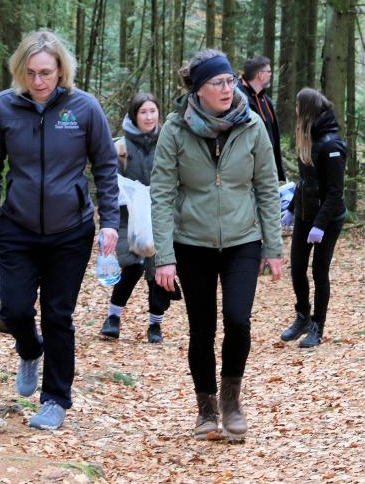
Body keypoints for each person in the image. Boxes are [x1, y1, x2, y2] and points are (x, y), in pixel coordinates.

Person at [0, 30, 119, 430]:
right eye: (31, 72)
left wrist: (110, 222)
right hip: (16, 229)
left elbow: (106, 166)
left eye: (46, 73)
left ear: (61, 71)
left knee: (59, 315)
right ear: (20, 71)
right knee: (15, 309)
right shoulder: (3, 107)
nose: (38, 81)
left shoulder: (84, 108)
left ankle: (55, 399)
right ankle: (29, 348)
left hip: (70, 231)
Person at [151, 48, 283, 443]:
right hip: (192, 242)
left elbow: (267, 187)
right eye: (217, 83)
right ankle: (206, 409)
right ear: (198, 89)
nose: (227, 88)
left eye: (229, 81)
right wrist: (164, 257)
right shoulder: (175, 129)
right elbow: (161, 193)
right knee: (202, 328)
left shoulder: (252, 124)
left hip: (244, 239)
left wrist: (273, 247)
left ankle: (232, 401)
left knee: (238, 320)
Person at [98, 93, 170, 344]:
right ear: (133, 115)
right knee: (132, 266)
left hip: (161, 215)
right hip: (127, 218)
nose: (149, 117)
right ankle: (113, 317)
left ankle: (155, 325)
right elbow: (107, 181)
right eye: (143, 112)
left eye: (153, 111)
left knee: (158, 269)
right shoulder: (120, 147)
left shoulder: (167, 142)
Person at [279, 88, 348, 348]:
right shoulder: (307, 137)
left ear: (306, 110)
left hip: (328, 219)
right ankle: (302, 317)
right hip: (306, 213)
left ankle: (317, 326)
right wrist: (293, 209)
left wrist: (319, 225)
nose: (295, 111)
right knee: (297, 268)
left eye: (298, 106)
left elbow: (334, 192)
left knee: (319, 271)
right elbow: (305, 181)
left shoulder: (331, 145)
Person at [239, 55, 286, 181]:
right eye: (269, 71)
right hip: (248, 172)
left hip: (266, 169)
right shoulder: (238, 99)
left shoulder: (265, 99)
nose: (271, 74)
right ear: (260, 75)